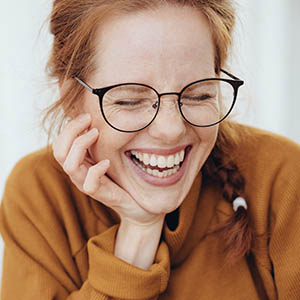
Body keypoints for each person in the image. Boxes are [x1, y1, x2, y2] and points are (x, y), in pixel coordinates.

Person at [1, 0, 300, 299]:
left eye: (198, 95)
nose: (170, 129)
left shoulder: (282, 178)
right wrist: (138, 232)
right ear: (71, 98)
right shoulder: (40, 194)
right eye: (129, 100)